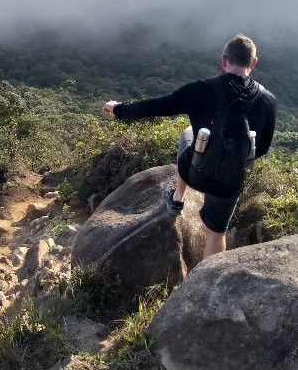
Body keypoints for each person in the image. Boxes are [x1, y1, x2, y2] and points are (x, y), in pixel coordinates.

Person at [103, 34, 276, 259]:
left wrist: (117, 108)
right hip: (230, 182)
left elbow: (154, 106)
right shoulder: (267, 100)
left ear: (224, 60)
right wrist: (231, 159)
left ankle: (178, 198)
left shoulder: (201, 90)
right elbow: (262, 148)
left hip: (195, 171)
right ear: (253, 63)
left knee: (188, 133)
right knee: (215, 234)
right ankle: (207, 277)